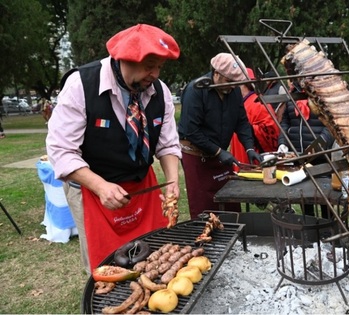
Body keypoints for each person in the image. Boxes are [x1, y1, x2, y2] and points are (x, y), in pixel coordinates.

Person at [46, 24, 181, 273]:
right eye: (149, 64)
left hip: (143, 186)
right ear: (124, 59)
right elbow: (62, 151)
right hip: (92, 190)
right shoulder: (80, 85)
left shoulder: (160, 91)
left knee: (153, 255)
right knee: (105, 266)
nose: (155, 73)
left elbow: (168, 143)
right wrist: (100, 186)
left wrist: (172, 180)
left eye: (160, 66)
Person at [178, 53, 262, 219]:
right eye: (229, 81)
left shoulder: (234, 92)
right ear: (216, 73)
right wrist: (218, 152)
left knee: (230, 203)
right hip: (197, 157)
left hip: (220, 157)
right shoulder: (196, 90)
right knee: (204, 209)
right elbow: (191, 130)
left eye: (235, 82)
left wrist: (249, 147)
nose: (232, 86)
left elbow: (242, 122)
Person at [278, 80, 334, 217]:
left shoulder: (322, 95)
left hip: (321, 156)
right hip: (298, 156)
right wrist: (282, 142)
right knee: (304, 195)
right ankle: (309, 225)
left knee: (324, 196)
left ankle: (327, 227)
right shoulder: (291, 97)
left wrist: (321, 143)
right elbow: (285, 122)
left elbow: (331, 124)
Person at [230, 68, 280, 167]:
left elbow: (272, 130)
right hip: (239, 153)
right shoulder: (239, 103)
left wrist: (248, 129)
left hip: (254, 157)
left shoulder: (259, 103)